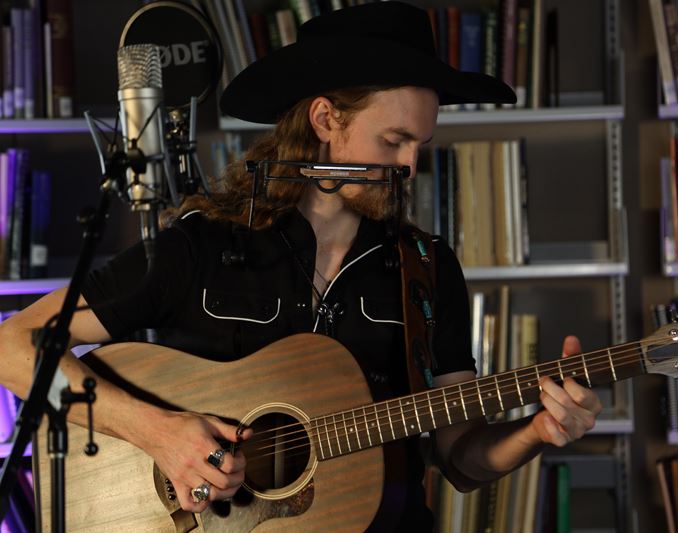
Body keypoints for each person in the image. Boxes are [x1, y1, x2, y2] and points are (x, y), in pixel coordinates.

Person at [0, 1, 602, 530]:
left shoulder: (427, 268)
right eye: (393, 142)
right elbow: (14, 347)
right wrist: (156, 431)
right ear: (324, 122)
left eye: (422, 146)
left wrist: (536, 432)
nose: (411, 166)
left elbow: (460, 458)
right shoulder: (202, 244)